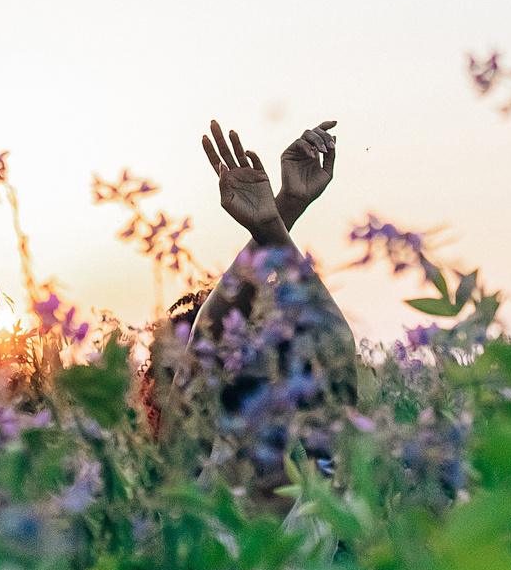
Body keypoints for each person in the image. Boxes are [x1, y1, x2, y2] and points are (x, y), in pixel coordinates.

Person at [151, 119, 361, 510]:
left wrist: (277, 218)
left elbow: (335, 347)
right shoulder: (187, 491)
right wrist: (272, 225)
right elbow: (206, 339)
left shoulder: (325, 480)